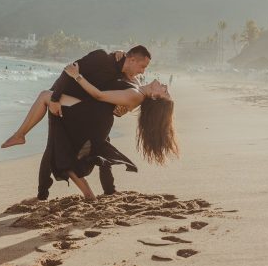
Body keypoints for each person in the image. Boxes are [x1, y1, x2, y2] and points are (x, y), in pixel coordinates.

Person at [1, 46, 152, 199]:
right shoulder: (101, 57)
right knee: (57, 145)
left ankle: (46, 192)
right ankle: (47, 191)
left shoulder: (123, 74)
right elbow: (69, 70)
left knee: (70, 146)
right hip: (63, 98)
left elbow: (117, 100)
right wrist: (55, 98)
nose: (143, 71)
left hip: (80, 107)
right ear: (132, 60)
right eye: (142, 66)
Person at [48, 61, 177, 200]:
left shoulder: (136, 95)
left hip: (94, 118)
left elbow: (100, 96)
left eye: (165, 91)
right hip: (98, 120)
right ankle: (107, 189)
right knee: (96, 154)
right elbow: (122, 78)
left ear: (155, 97)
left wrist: (77, 76)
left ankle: (91, 193)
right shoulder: (137, 87)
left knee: (67, 155)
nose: (166, 86)